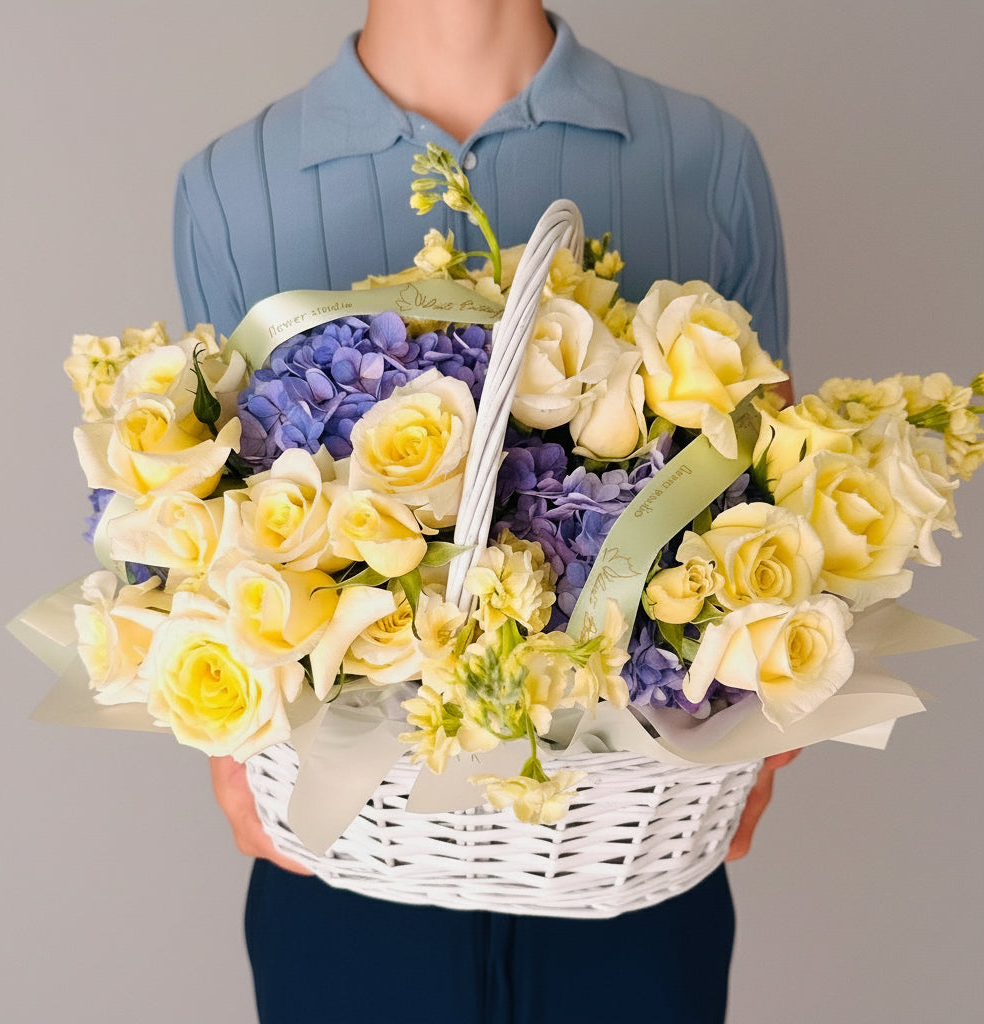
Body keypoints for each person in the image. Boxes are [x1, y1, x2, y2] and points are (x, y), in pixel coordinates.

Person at [175, 3, 798, 1020]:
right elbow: (204, 510)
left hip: (624, 862)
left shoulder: (703, 156)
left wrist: (776, 709)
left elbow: (776, 493)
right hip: (354, 871)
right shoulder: (233, 183)